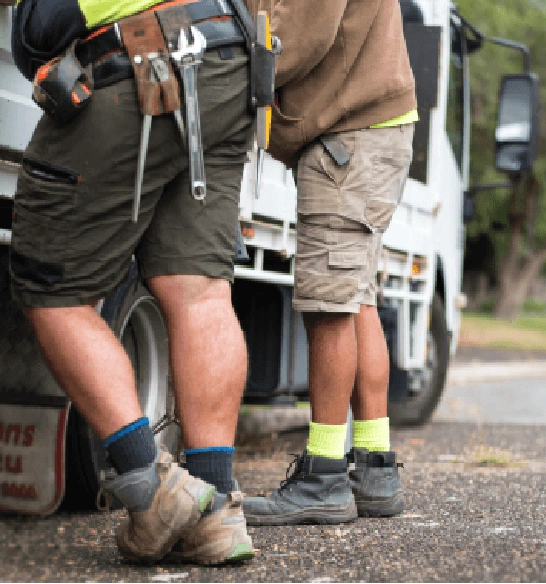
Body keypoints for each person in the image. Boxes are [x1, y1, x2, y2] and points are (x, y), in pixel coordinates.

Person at [9, 0, 256, 565]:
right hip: (227, 57)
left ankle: (151, 488)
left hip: (139, 58)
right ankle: (215, 511)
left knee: (52, 288)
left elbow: (44, 26)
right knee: (199, 289)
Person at [242, 0, 417, 525]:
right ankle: (374, 466)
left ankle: (322, 475)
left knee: (329, 307)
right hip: (369, 130)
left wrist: (226, 63)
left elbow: (297, 34)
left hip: (350, 135)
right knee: (356, 299)